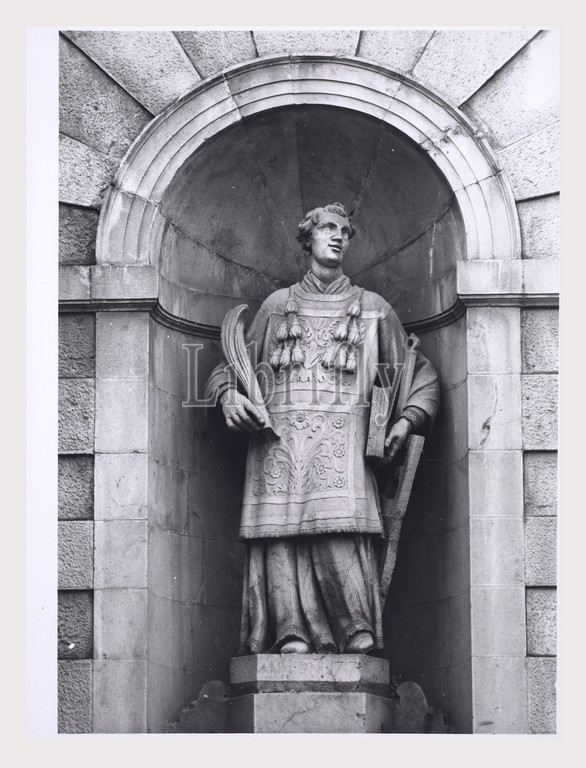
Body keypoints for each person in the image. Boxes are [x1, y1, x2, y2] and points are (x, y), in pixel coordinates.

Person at [205, 203, 439, 655]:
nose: (337, 237)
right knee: (279, 534)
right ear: (307, 238)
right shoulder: (277, 307)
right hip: (278, 445)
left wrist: (406, 420)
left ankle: (353, 626)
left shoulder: (373, 309)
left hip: (343, 449)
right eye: (327, 228)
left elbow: (417, 373)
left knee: (338, 531)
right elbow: (230, 369)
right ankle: (287, 629)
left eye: (345, 232)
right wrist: (228, 396)